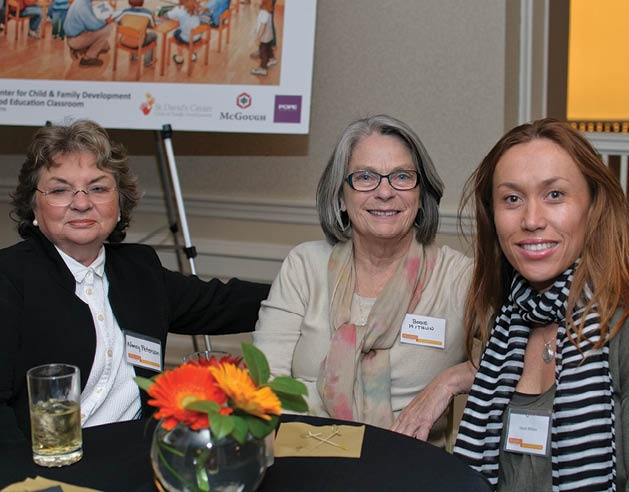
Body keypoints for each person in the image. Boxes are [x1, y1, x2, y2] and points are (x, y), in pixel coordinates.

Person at [0, 120, 270, 444]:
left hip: (140, 458)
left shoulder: (139, 270)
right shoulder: (10, 279)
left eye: (98, 188)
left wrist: (310, 289)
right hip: (49, 468)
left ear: (119, 203)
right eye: (60, 189)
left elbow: (222, 302)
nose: (82, 202)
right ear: (33, 205)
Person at [253, 114, 476, 446]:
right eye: (365, 177)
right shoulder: (304, 265)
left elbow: (522, 356)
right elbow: (265, 384)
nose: (384, 192)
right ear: (341, 197)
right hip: (303, 462)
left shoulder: (459, 277)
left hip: (411, 473)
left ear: (420, 194)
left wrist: (449, 381)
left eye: (402, 176)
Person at [453, 118, 629, 491]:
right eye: (512, 199)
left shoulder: (620, 330)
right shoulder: (505, 327)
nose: (531, 220)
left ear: (593, 206)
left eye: (554, 195)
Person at [63, 0, 114, 67]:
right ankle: (88, 58)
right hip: (75, 39)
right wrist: (106, 21)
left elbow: (90, 19)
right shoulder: (83, 6)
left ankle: (80, 50)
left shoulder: (82, 2)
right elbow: (93, 25)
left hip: (74, 36)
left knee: (105, 47)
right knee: (108, 28)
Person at [117, 0, 157, 68]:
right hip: (138, 44)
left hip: (123, 41)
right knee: (153, 35)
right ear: (143, 2)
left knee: (133, 31)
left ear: (129, 3)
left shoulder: (125, 11)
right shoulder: (148, 13)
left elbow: (118, 22)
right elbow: (153, 25)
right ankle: (147, 61)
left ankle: (134, 57)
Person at [165, 0, 202, 65]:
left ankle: (179, 58)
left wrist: (170, 11)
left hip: (186, 38)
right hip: (198, 36)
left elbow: (167, 16)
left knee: (177, 32)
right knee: (189, 29)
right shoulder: (198, 6)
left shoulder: (179, 9)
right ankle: (192, 55)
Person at [250, 0, 274, 76]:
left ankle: (263, 68)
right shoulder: (267, 11)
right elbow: (259, 18)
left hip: (264, 37)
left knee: (263, 51)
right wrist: (255, 8)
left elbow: (262, 26)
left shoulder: (264, 13)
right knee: (268, 48)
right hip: (268, 36)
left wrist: (258, 38)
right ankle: (271, 59)